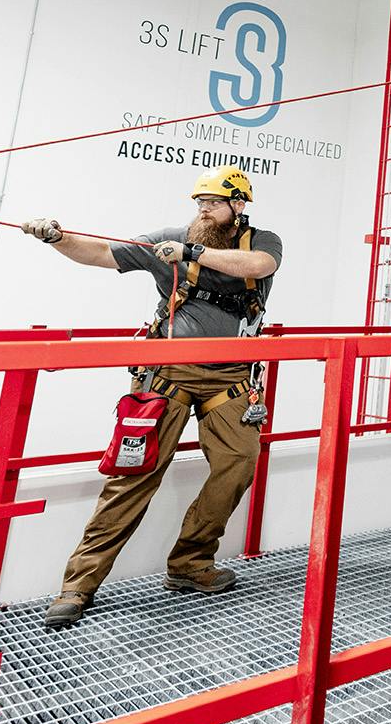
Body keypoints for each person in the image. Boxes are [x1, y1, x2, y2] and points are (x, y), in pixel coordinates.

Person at [21, 166, 283, 629]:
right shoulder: (168, 240)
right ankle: (78, 586)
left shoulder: (261, 242)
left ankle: (191, 562)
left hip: (231, 379)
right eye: (198, 202)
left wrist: (193, 252)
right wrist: (57, 238)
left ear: (238, 206)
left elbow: (258, 268)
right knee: (134, 475)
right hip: (167, 374)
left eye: (213, 203)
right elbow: (102, 253)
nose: (202, 209)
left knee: (239, 462)